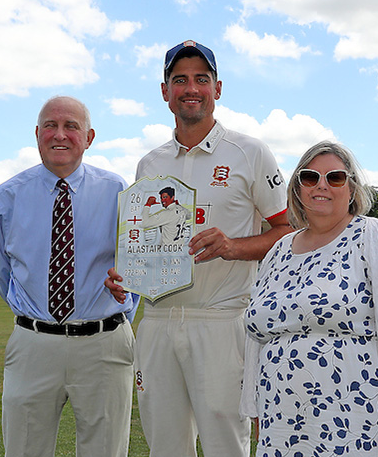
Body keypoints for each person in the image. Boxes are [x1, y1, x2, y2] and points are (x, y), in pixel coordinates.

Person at [106, 40, 292, 457]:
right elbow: (145, 243)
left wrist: (233, 246)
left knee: (226, 445)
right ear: (165, 91)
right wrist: (127, 279)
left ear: (218, 88)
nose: (191, 88)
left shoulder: (250, 152)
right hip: (157, 320)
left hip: (222, 320)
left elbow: (287, 232)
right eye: (180, 80)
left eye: (201, 79)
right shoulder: (149, 164)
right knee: (165, 446)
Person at [240, 141, 378, 457]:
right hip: (282, 420)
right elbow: (256, 339)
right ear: (297, 188)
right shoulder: (277, 252)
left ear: (352, 188)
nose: (322, 186)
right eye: (310, 177)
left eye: (335, 178)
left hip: (356, 421)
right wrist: (255, 405)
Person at [0, 96, 138, 457]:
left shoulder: (117, 191)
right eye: (50, 126)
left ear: (89, 137)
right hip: (33, 345)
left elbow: (135, 267)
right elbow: (1, 273)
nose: (60, 134)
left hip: (104, 344)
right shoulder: (7, 197)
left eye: (71, 126)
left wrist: (119, 312)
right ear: (37, 134)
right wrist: (34, 316)